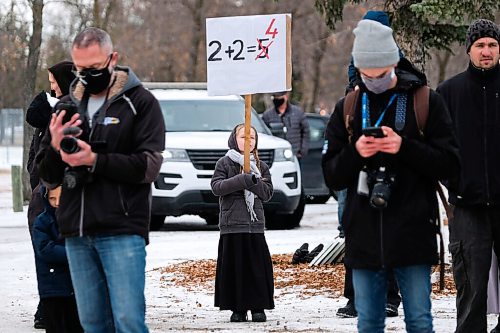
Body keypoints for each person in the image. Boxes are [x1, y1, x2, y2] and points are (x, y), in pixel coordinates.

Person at [322, 19, 459, 332]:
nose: (374, 81)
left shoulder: (425, 101)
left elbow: (450, 165)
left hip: (413, 232)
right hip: (365, 237)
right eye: (366, 75)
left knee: (420, 322)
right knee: (369, 323)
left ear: (394, 63)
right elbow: (331, 176)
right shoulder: (349, 107)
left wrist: (404, 147)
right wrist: (357, 152)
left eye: (381, 74)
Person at [35, 27, 165, 332]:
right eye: (79, 69)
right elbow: (46, 175)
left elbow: (149, 166)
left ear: (112, 59)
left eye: (93, 68)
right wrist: (54, 146)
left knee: (128, 321)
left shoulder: (140, 102)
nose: (86, 75)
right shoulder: (67, 105)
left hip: (121, 228)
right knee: (92, 324)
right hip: (76, 231)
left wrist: (95, 160)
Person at [436, 18, 500, 333]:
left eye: (492, 44)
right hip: (467, 204)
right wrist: (455, 182)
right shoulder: (449, 92)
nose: (486, 51)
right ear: (469, 50)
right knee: (471, 282)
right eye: (480, 45)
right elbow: (439, 147)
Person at [337, 10, 402, 320]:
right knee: (355, 234)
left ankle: (390, 294)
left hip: (393, 168)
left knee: (391, 235)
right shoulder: (353, 87)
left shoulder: (401, 76)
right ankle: (355, 297)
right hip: (358, 171)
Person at [25, 60, 75, 330]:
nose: (51, 87)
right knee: (46, 256)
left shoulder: (68, 115)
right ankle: (47, 306)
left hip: (63, 200)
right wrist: (40, 184)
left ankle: (55, 306)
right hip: (43, 200)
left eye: (55, 82)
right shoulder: (48, 117)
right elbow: (36, 157)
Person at [211, 124, 274, 322]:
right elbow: (217, 187)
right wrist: (241, 179)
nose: (248, 141)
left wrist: (253, 181)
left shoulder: (260, 166)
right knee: (235, 267)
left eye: (252, 138)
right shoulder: (225, 162)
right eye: (243, 137)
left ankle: (258, 306)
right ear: (233, 139)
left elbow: (267, 193)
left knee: (256, 268)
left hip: (254, 226)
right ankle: (237, 308)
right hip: (232, 224)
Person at [32, 185, 83, 333]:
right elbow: (44, 249)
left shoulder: (78, 219)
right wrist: (75, 254)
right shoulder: (42, 222)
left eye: (61, 197)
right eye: (52, 198)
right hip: (52, 286)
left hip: (75, 286)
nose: (57, 202)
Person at [261, 91, 310, 159]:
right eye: (275, 97)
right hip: (276, 155)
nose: (276, 99)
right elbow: (264, 134)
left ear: (285, 97)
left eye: (278, 97)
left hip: (295, 154)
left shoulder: (298, 113)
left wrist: (302, 150)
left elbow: (305, 132)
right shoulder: (267, 115)